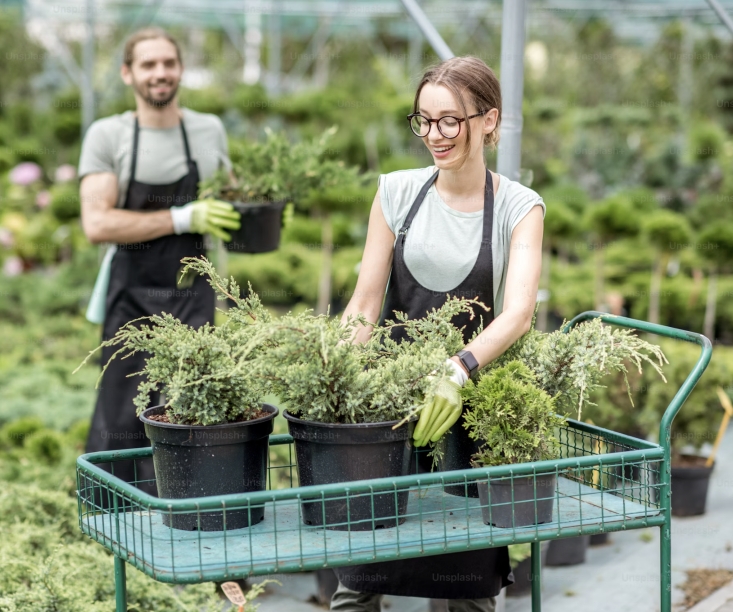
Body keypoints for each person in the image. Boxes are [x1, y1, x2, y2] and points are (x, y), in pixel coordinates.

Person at [333, 56, 545, 611]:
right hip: (391, 412)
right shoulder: (397, 192)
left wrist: (459, 369)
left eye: (450, 120)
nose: (434, 135)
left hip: (471, 415)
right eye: (424, 121)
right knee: (360, 575)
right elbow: (364, 303)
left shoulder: (519, 207)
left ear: (489, 120)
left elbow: (518, 313)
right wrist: (333, 377)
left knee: (467, 584)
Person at [78, 27, 241, 487]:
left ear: (181, 69)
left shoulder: (208, 130)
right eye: (148, 64)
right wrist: (181, 217)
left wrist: (260, 212)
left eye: (169, 62)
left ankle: (185, 505)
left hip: (192, 293)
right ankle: (112, 509)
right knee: (121, 409)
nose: (160, 72)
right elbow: (97, 224)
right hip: (131, 291)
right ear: (127, 73)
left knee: (189, 406)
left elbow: (232, 197)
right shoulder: (109, 135)